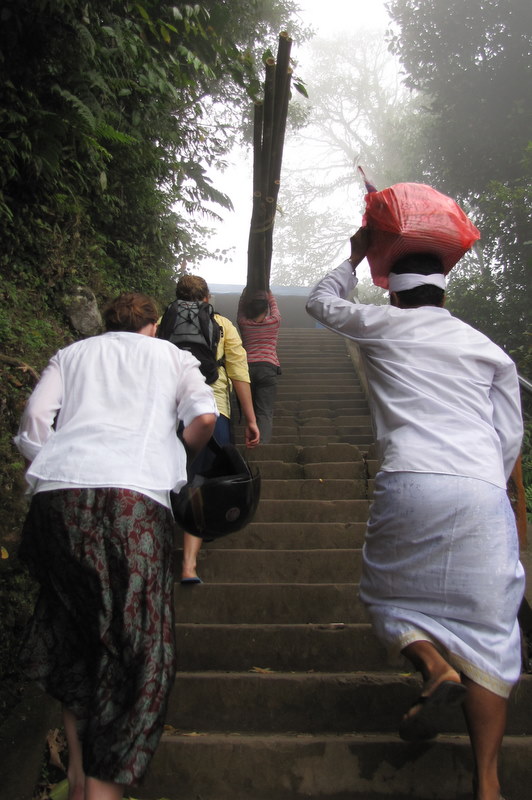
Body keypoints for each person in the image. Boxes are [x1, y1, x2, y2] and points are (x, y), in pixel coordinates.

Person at [305, 228, 524, 800]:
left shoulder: (383, 326)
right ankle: (488, 784)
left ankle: (432, 665)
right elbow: (509, 437)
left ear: (395, 295)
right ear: (444, 295)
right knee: (492, 633)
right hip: (480, 486)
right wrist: (487, 487)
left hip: (412, 479)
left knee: (387, 596)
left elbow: (320, 304)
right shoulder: (488, 349)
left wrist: (353, 254)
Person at [14, 293, 218, 800]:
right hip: (134, 500)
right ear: (154, 325)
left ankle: (80, 776)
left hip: (59, 499)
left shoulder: (72, 354)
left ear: (106, 323)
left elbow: (36, 421)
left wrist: (55, 465)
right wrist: (176, 459)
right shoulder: (173, 356)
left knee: (72, 629)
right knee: (138, 644)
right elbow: (206, 418)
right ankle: (102, 792)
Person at [158, 275, 260, 583]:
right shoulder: (222, 325)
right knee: (201, 482)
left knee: (163, 476)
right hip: (211, 410)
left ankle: (153, 549)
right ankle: (189, 566)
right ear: (208, 297)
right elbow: (239, 372)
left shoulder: (163, 322)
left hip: (168, 409)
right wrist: (251, 419)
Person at [237, 288, 281, 443]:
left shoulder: (244, 324)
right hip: (268, 369)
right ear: (266, 309)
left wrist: (244, 294)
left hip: (247, 370)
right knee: (265, 412)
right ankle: (261, 447)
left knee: (251, 410)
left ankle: (251, 438)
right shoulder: (274, 322)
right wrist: (269, 293)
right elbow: (275, 307)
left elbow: (240, 309)